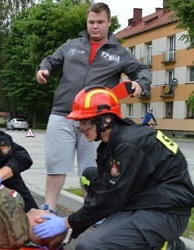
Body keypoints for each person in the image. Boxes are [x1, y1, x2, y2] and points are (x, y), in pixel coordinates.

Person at [33, 86, 194, 249]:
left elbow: (110, 197)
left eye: (83, 121)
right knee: (90, 175)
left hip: (167, 214)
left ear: (104, 120)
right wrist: (69, 233)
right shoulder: (112, 141)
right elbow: (104, 191)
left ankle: (166, 246)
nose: (80, 128)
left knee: (89, 247)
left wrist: (67, 223)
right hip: (146, 199)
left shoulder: (128, 145)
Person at [35, 2, 152, 214]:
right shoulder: (71, 46)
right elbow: (50, 61)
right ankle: (49, 209)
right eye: (91, 22)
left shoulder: (120, 53)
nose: (94, 26)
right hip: (63, 114)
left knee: (92, 170)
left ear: (109, 22)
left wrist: (140, 84)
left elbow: (142, 70)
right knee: (55, 166)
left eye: (99, 22)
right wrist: (43, 70)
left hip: (97, 121)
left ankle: (92, 212)